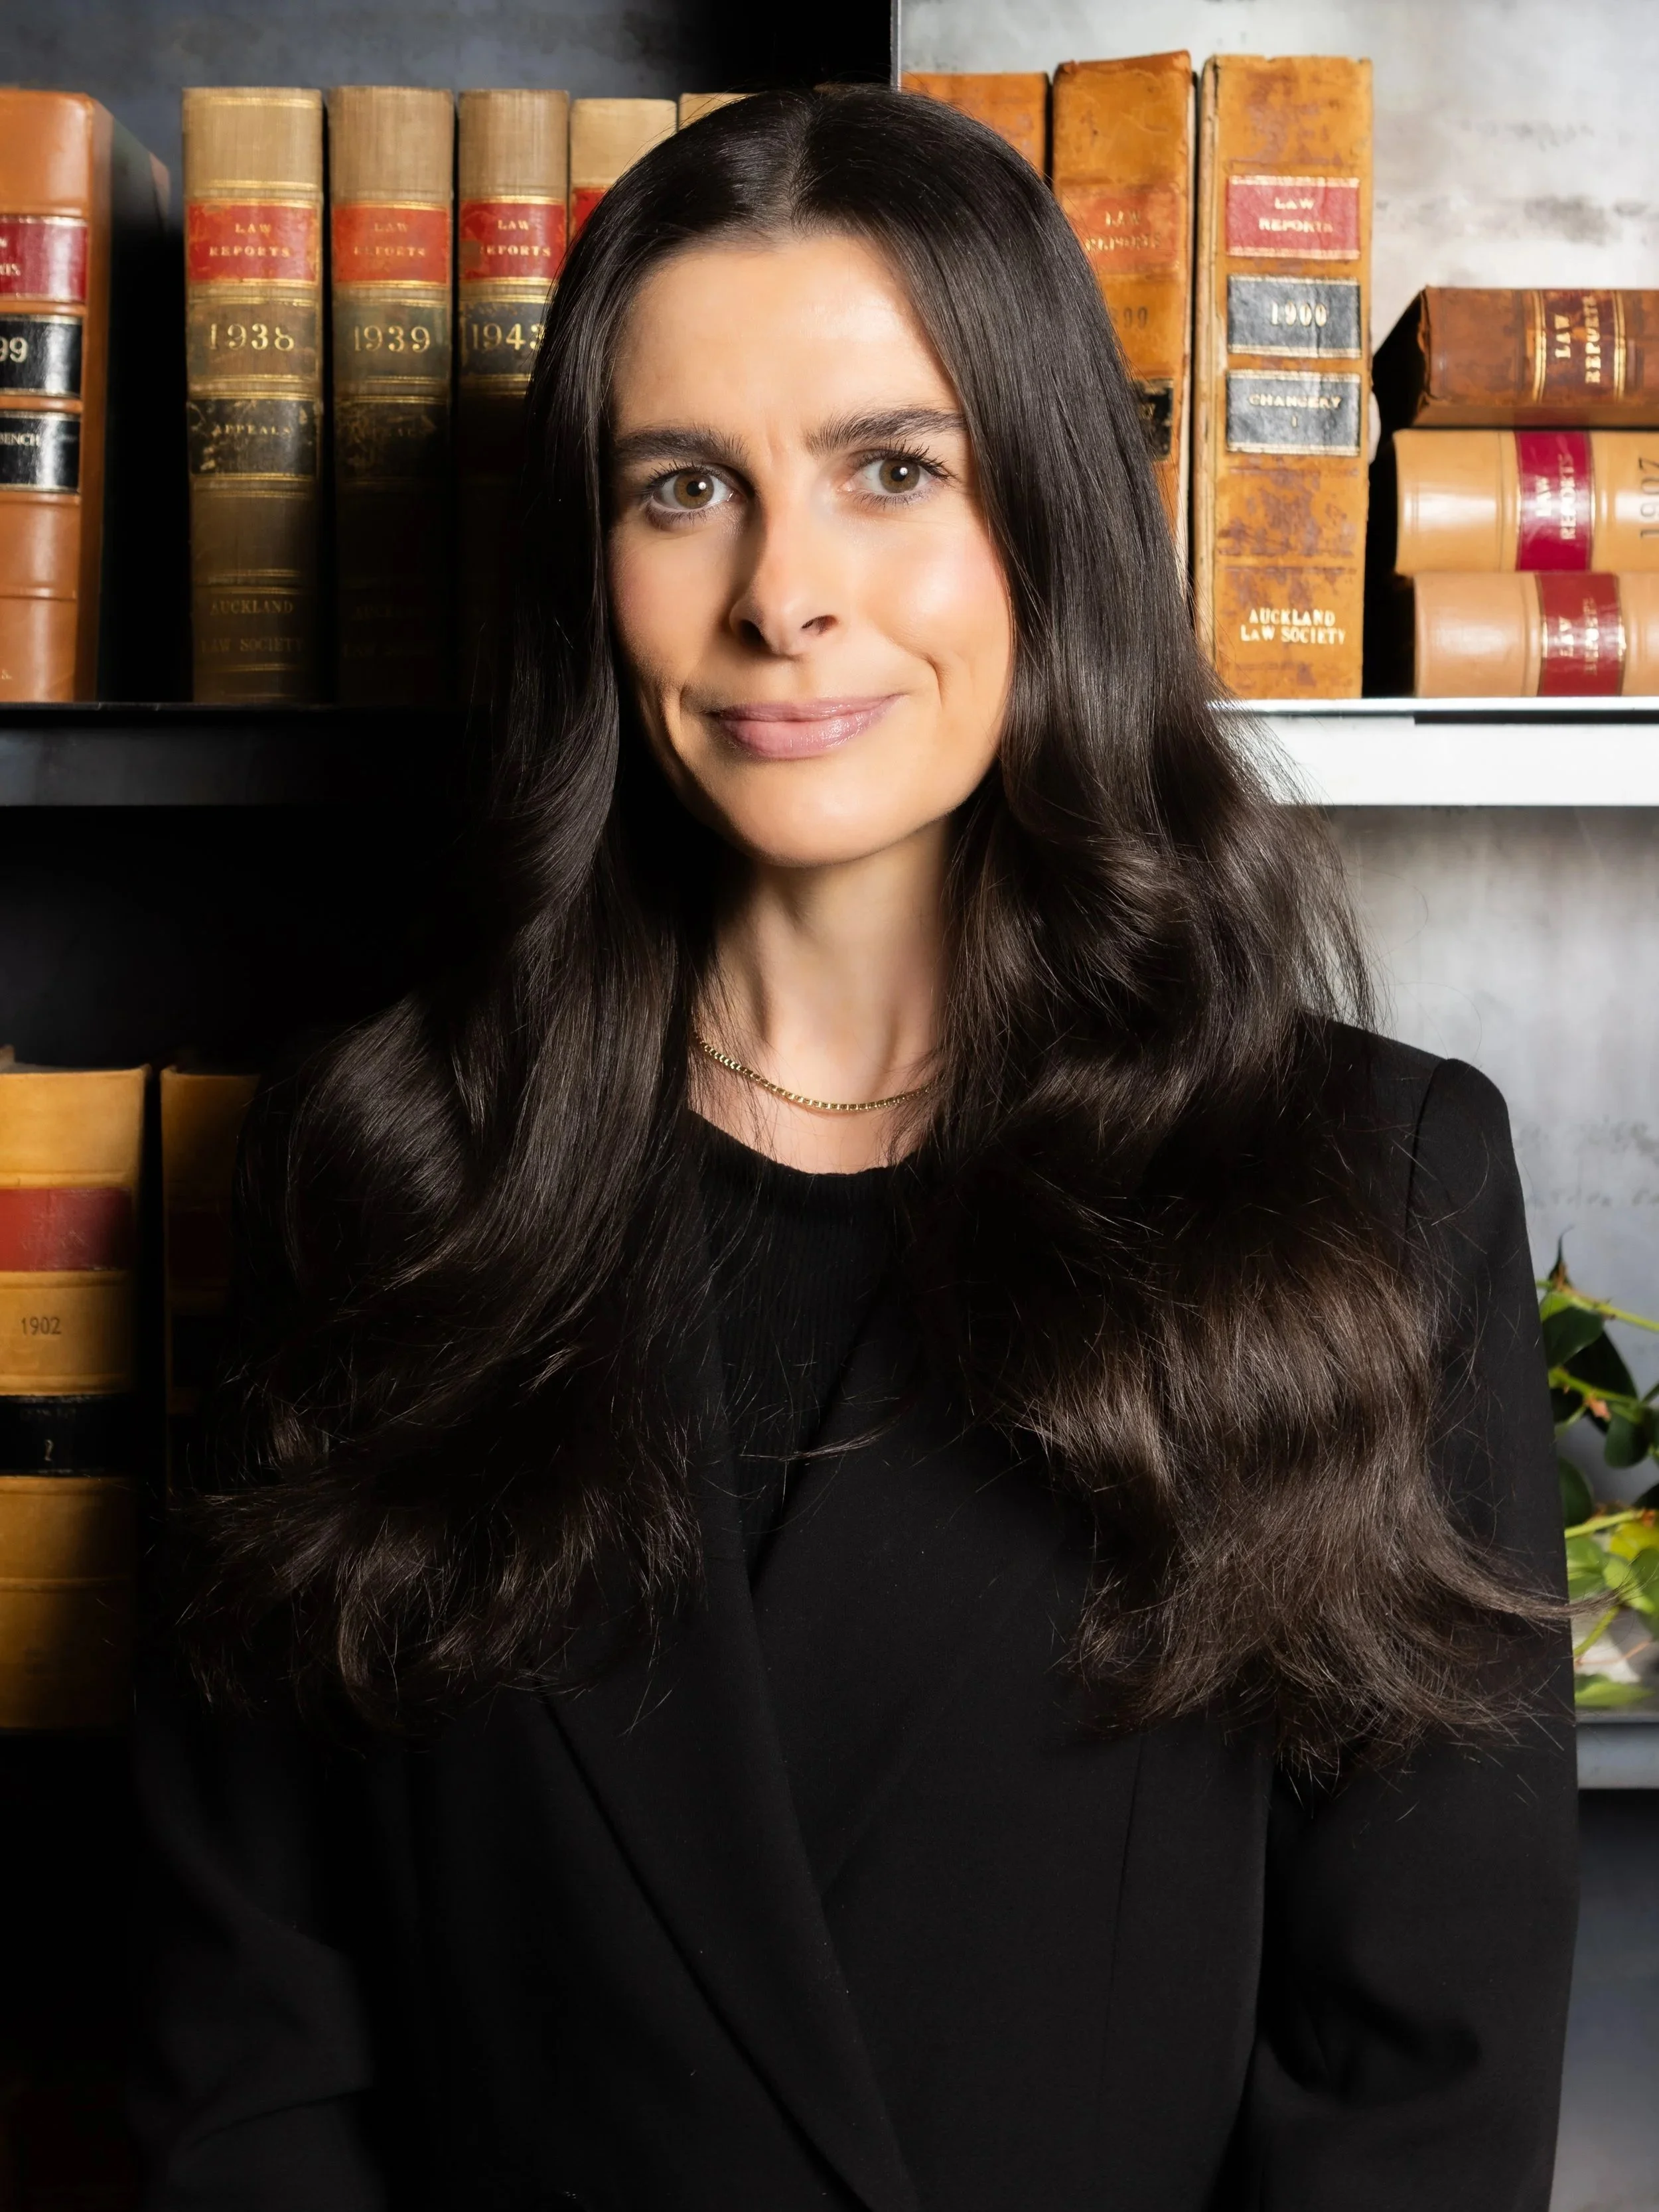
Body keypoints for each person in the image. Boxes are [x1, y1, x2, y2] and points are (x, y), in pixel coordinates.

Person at [133, 87, 1577, 2212]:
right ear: (591, 566)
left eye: (890, 469)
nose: (781, 594)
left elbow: (1417, 2082)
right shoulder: (380, 1180)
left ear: (1051, 520)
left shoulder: (1365, 1176)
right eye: (682, 487)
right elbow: (252, 2048)